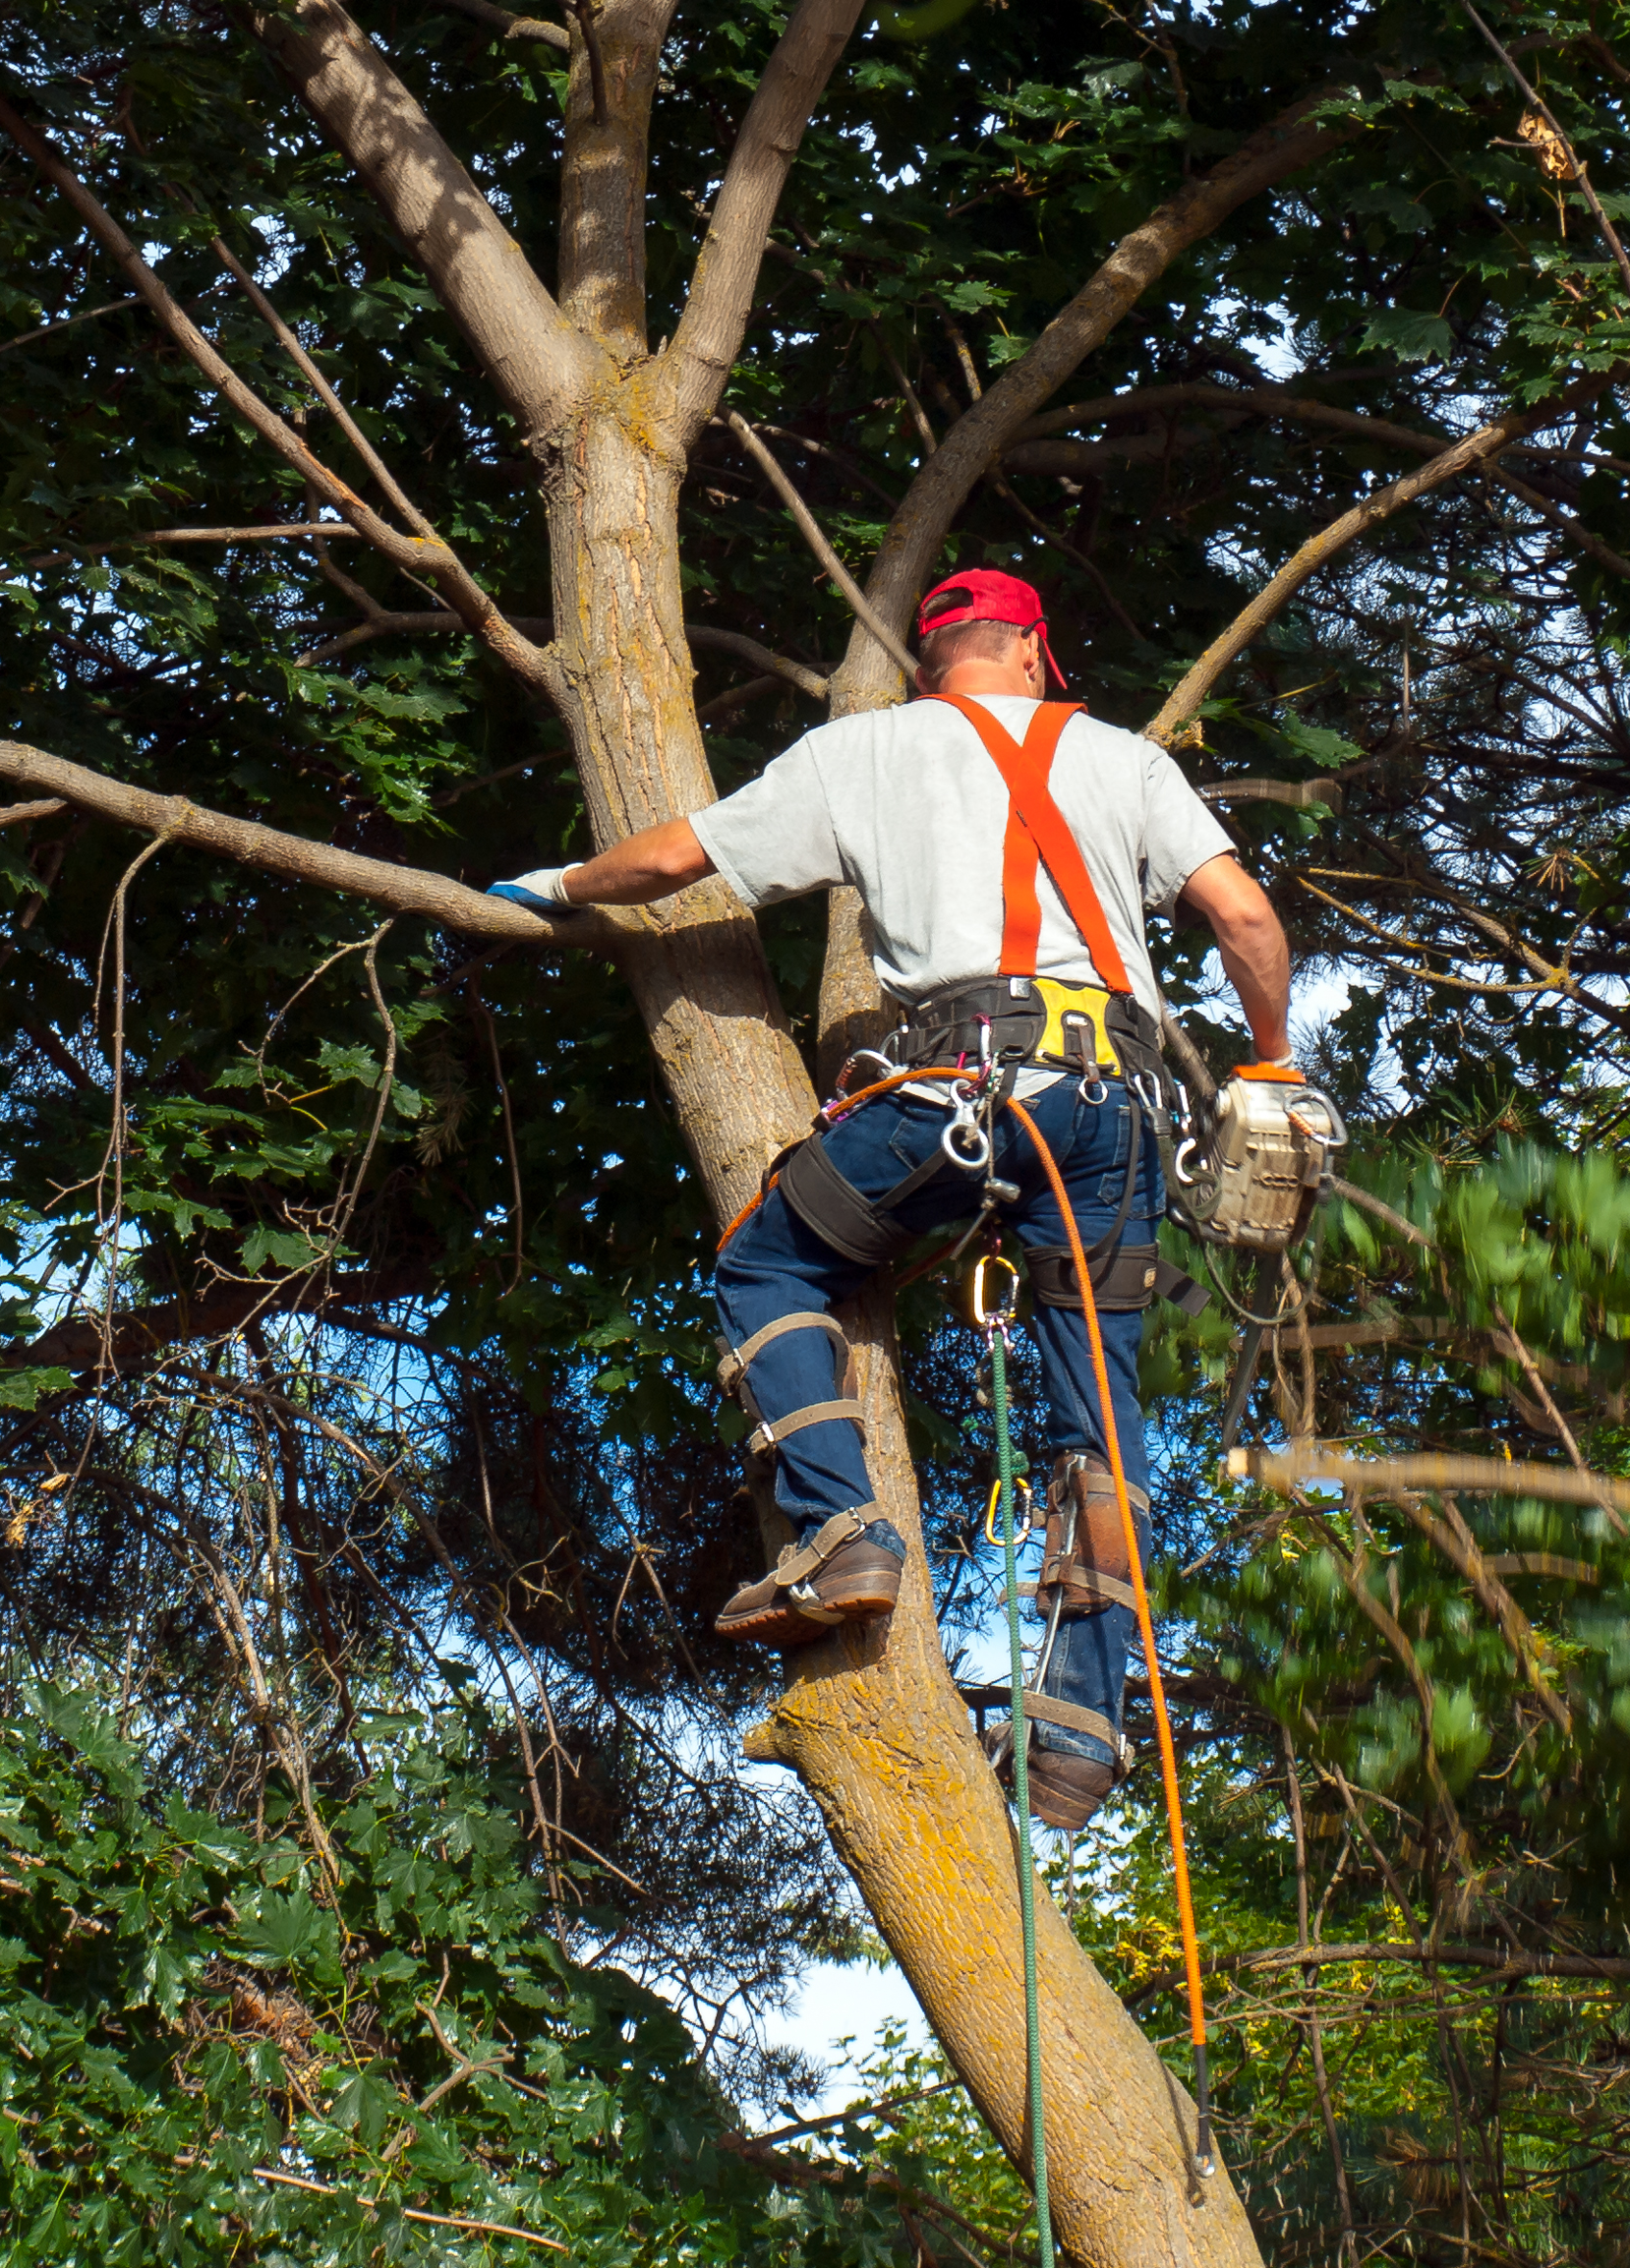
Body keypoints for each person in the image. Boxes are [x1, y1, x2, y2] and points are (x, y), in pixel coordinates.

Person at [487, 568, 1295, 1832]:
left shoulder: (856, 752)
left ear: (931, 666)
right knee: (1098, 1416)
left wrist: (558, 887)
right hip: (1115, 1119)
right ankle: (1082, 1724)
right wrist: (1272, 1059)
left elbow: (673, 859)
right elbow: (1242, 914)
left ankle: (842, 1532)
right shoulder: (1122, 758)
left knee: (768, 1263)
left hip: (960, 1092)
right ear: (1035, 652)